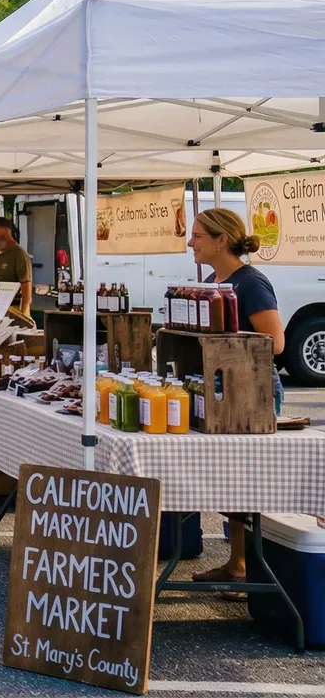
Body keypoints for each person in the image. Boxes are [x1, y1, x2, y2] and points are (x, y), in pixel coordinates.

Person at [187, 207, 287, 592]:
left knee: (247, 478)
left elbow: (275, 342)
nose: (191, 242)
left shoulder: (251, 283)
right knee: (231, 478)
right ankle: (238, 564)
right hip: (224, 393)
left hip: (254, 393)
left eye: (197, 236)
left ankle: (247, 565)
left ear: (220, 240)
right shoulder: (214, 280)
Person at [0, 217, 33, 314]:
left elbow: (26, 284)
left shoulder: (19, 254)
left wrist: (23, 313)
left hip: (14, 308)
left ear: (6, 230)